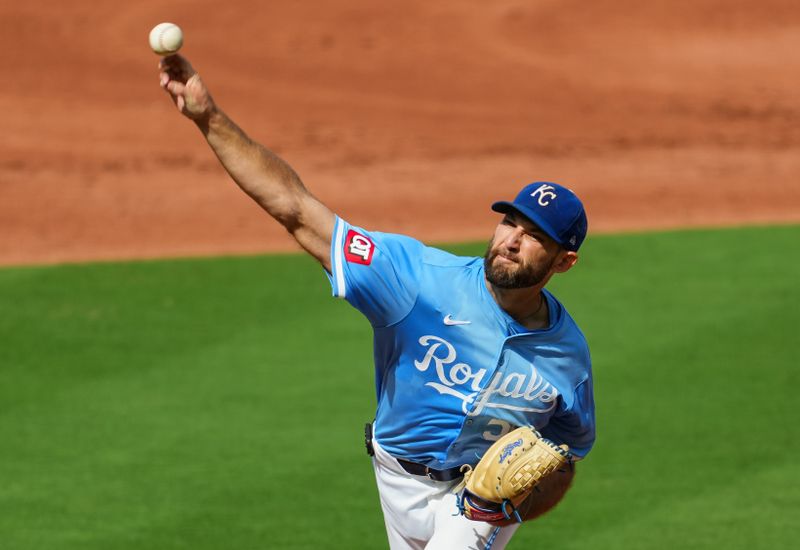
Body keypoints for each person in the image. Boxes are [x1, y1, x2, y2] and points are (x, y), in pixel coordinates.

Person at [158, 54, 595, 550]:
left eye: (534, 236)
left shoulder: (568, 358)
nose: (511, 241)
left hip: (476, 508)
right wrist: (208, 117)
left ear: (564, 261)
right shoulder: (416, 280)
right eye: (509, 223)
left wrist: (512, 503)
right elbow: (297, 210)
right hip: (394, 478)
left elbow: (565, 454)